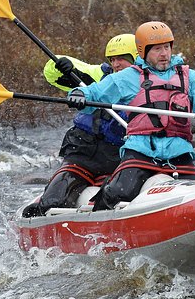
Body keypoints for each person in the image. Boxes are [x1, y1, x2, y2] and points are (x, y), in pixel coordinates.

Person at [65, 21, 195, 210]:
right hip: (140, 152)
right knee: (116, 193)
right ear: (143, 52)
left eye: (166, 47)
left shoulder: (190, 77)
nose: (164, 53)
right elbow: (95, 93)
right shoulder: (129, 76)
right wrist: (78, 95)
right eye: (157, 49)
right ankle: (98, 226)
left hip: (179, 153)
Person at [22, 34, 138, 217]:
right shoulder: (99, 75)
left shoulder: (149, 84)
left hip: (119, 157)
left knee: (110, 200)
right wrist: (60, 65)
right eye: (113, 59)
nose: (116, 64)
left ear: (137, 58)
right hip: (82, 152)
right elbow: (52, 74)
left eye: (123, 58)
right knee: (52, 202)